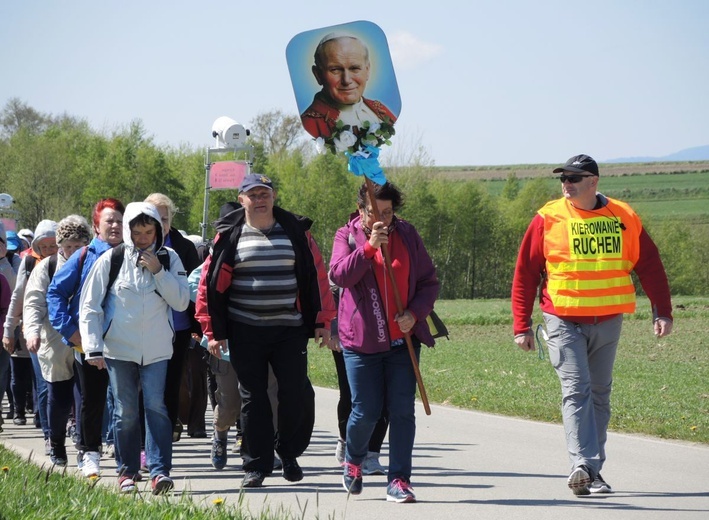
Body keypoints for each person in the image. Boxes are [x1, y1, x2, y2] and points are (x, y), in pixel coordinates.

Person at [511, 154, 674, 497]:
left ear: (593, 182)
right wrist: (521, 325)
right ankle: (582, 464)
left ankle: (592, 472)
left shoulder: (623, 216)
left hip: (608, 320)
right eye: (563, 179)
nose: (566, 184)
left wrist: (662, 311)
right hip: (562, 318)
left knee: (600, 395)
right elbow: (525, 272)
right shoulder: (548, 217)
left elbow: (651, 265)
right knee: (577, 389)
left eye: (574, 178)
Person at [196, 173, 335, 488]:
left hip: (289, 328)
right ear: (242, 199)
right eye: (253, 195)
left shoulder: (296, 232)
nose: (260, 200)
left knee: (294, 393)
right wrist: (212, 330)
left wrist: (323, 320)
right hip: (245, 328)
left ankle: (288, 453)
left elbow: (317, 275)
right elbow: (208, 285)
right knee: (253, 398)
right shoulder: (229, 236)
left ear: (273, 198)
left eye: (265, 194)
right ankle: (255, 465)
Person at [329, 181, 439, 503]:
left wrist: (415, 314)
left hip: (401, 341)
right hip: (361, 342)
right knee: (366, 411)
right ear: (362, 209)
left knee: (403, 410)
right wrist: (368, 249)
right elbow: (339, 275)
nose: (384, 219)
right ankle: (353, 461)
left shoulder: (407, 235)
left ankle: (399, 480)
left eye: (389, 212)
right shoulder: (345, 236)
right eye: (377, 212)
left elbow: (428, 283)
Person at [79, 202, 189, 494]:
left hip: (157, 350)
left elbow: (181, 302)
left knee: (156, 407)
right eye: (137, 232)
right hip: (118, 350)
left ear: (157, 230)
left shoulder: (170, 258)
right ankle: (126, 471)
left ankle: (159, 471)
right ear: (128, 231)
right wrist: (93, 348)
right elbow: (90, 305)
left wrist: (159, 272)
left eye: (148, 231)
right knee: (125, 411)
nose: (142, 238)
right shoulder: (112, 259)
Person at [47, 198, 124, 478]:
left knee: (128, 402)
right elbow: (54, 294)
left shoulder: (137, 253)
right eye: (109, 220)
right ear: (96, 226)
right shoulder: (85, 256)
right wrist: (71, 330)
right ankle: (90, 453)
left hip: (128, 343)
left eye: (119, 220)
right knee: (92, 401)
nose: (115, 225)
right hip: (90, 344)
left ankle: (130, 456)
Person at [23, 215, 92, 465]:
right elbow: (33, 302)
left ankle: (86, 446)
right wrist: (31, 331)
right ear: (60, 245)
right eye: (68, 246)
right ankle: (56, 444)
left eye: (78, 245)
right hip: (53, 340)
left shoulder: (94, 262)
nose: (73, 250)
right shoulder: (48, 267)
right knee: (59, 397)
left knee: (85, 396)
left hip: (87, 339)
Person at [143, 193, 202, 441]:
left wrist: (199, 327)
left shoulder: (185, 247)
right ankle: (148, 437)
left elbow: (194, 290)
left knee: (172, 382)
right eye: (155, 217)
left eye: (165, 218)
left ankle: (164, 434)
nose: (161, 223)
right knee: (146, 386)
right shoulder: (134, 246)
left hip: (178, 327)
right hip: (144, 327)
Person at [3, 220, 58, 451]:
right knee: (44, 384)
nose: (48, 251)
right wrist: (9, 329)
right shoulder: (28, 263)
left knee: (65, 384)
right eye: (42, 246)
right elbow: (18, 298)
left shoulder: (73, 263)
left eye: (52, 245)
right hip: (36, 333)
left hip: (68, 334)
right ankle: (49, 436)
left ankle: (75, 429)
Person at [328, 285, 388, 475]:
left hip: (383, 335)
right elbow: (331, 291)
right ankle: (346, 441)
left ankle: (372, 455)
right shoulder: (350, 255)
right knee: (351, 395)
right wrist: (333, 330)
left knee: (384, 396)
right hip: (348, 335)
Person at [301, 33, 397, 140]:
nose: (346, 80)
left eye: (354, 68)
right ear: (318, 74)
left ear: (367, 70)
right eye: (335, 70)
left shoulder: (381, 111)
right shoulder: (309, 124)